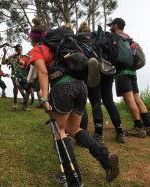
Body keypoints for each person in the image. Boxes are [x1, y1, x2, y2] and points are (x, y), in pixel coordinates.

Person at [28, 17, 119, 186]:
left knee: (59, 131)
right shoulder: (63, 47)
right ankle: (105, 157)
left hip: (63, 86)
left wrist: (44, 98)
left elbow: (43, 73)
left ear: (32, 38)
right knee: (73, 128)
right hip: (81, 86)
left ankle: (73, 178)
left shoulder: (38, 50)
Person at [77, 21, 126, 144]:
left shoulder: (79, 40)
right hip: (107, 70)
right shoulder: (99, 38)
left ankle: (99, 134)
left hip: (93, 73)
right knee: (109, 102)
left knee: (96, 103)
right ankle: (120, 133)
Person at [109, 18, 150, 137]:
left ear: (115, 26)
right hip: (132, 72)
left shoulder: (115, 37)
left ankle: (138, 128)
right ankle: (147, 126)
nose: (110, 27)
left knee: (129, 99)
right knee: (137, 98)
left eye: (111, 25)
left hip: (122, 72)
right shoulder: (128, 37)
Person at [2, 44, 30, 109]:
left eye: (21, 49)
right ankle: (15, 103)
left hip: (23, 76)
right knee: (16, 86)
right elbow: (3, 62)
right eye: (19, 50)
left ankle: (24, 106)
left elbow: (27, 68)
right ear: (16, 50)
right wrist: (5, 53)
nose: (20, 51)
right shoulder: (12, 57)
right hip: (15, 75)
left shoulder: (24, 57)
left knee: (28, 90)